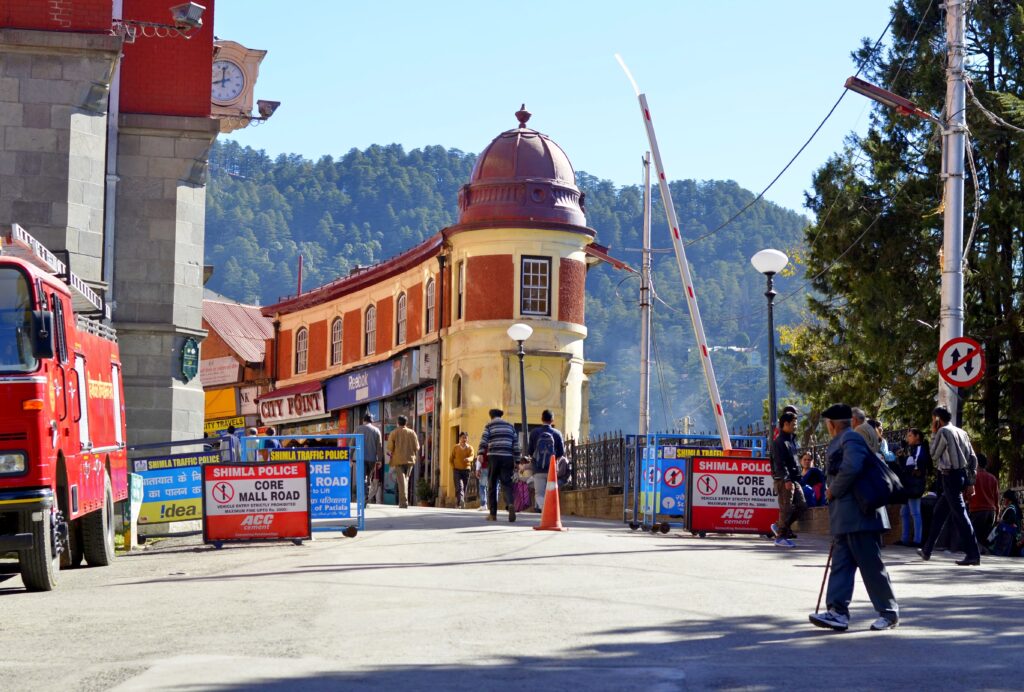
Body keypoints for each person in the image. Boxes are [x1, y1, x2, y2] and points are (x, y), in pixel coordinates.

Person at [809, 403, 899, 632]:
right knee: (841, 565)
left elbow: (852, 467)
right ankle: (837, 612)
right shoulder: (846, 439)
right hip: (846, 517)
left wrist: (832, 491)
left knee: (870, 565)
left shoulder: (851, 439)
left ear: (832, 424)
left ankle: (889, 613)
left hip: (860, 516)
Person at [919, 406, 981, 566]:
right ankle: (927, 550)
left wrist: (934, 432)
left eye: (934, 420)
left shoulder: (943, 432)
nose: (933, 423)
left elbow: (933, 454)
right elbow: (973, 458)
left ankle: (973, 554)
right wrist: (970, 481)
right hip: (959, 476)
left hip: (949, 476)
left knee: (961, 515)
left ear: (938, 419)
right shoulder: (962, 432)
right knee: (939, 513)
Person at [771, 411, 806, 546]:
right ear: (785, 424)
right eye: (793, 423)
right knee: (786, 507)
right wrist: (786, 479)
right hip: (784, 480)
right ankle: (780, 537)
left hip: (794, 479)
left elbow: (794, 461)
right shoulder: (779, 442)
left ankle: (778, 525)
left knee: (802, 505)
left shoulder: (791, 440)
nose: (796, 426)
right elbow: (780, 463)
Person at [478, 408, 520, 523]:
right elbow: (516, 444)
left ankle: (493, 514)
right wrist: (517, 461)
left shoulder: (489, 426)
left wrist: (481, 453)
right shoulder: (510, 426)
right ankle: (510, 504)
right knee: (506, 484)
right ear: (501, 416)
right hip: (507, 458)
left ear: (491, 416)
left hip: (494, 457)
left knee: (492, 485)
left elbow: (484, 440)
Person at [894, 428, 931, 547]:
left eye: (910, 436)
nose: (907, 438)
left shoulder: (920, 450)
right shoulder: (913, 449)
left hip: (914, 485)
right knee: (904, 512)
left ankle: (917, 540)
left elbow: (916, 467)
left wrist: (907, 464)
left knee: (915, 512)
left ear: (917, 437)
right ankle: (904, 538)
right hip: (909, 485)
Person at [527, 409, 565, 512]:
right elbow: (561, 452)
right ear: (552, 420)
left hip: (537, 469)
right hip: (552, 469)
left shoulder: (534, 432)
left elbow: (530, 451)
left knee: (539, 493)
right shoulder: (557, 433)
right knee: (551, 492)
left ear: (541, 419)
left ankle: (544, 508)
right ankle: (550, 511)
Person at [386, 415, 419, 509]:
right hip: (410, 460)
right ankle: (404, 501)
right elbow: (417, 447)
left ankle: (403, 503)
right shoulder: (412, 432)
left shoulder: (394, 432)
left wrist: (390, 455)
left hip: (398, 460)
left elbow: (389, 448)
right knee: (406, 480)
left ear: (397, 423)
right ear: (406, 423)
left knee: (402, 481)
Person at [968, 454, 999, 553]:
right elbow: (996, 498)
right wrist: (997, 513)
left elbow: (967, 493)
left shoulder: (973, 476)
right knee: (986, 535)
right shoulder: (993, 478)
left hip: (977, 509)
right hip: (991, 511)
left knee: (975, 534)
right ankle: (985, 551)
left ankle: (976, 552)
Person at [356, 414, 384, 503]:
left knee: (362, 477)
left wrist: (350, 457)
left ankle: (363, 496)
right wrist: (379, 459)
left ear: (363, 421)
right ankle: (366, 495)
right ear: (371, 421)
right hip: (372, 459)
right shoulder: (376, 430)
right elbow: (379, 446)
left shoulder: (358, 428)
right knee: (369, 477)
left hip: (361, 457)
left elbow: (352, 442)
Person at [989, 490, 1021, 557]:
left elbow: (1012, 520)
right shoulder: (1016, 507)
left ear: (1008, 499)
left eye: (1004, 499)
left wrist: (1001, 521)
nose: (1003, 501)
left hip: (1008, 534)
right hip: (1015, 535)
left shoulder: (1011, 508)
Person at [450, 432, 474, 509]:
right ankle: (460, 502)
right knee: (459, 486)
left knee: (465, 487)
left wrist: (468, 459)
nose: (464, 439)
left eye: (465, 438)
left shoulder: (470, 448)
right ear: (459, 438)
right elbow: (451, 458)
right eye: (463, 437)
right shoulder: (455, 447)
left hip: (466, 470)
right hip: (457, 470)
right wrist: (453, 466)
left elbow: (472, 457)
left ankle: (462, 501)